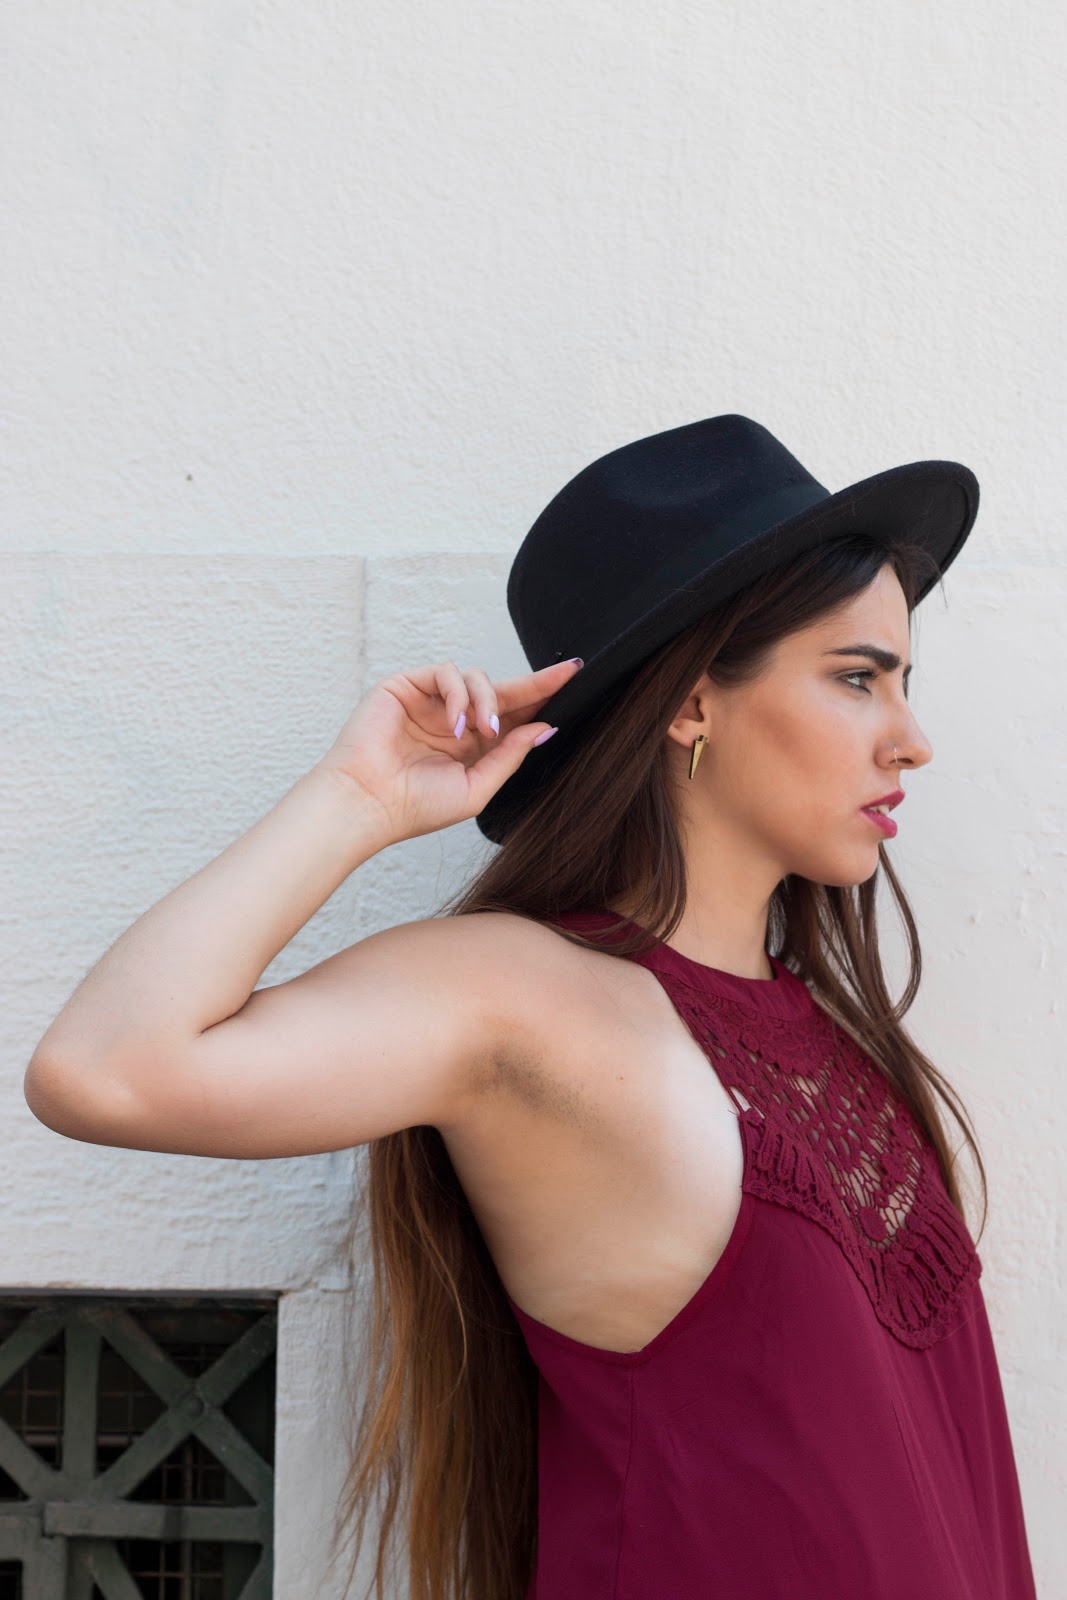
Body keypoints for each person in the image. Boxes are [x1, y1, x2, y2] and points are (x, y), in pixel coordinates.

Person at [24, 415, 1037, 1600]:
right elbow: (105, 1069)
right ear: (690, 703)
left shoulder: (831, 1037)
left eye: (901, 682)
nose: (909, 741)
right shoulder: (528, 996)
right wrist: (355, 799)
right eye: (856, 678)